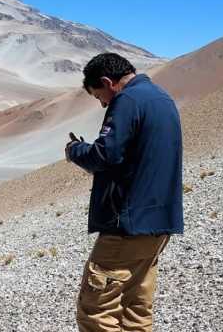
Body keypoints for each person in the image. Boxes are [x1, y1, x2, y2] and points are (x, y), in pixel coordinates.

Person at [64, 52, 184, 332]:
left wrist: (75, 151)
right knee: (135, 308)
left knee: (97, 309)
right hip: (157, 224)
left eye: (99, 97)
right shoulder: (161, 98)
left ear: (108, 82)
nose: (103, 103)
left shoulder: (127, 100)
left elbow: (106, 154)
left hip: (127, 226)